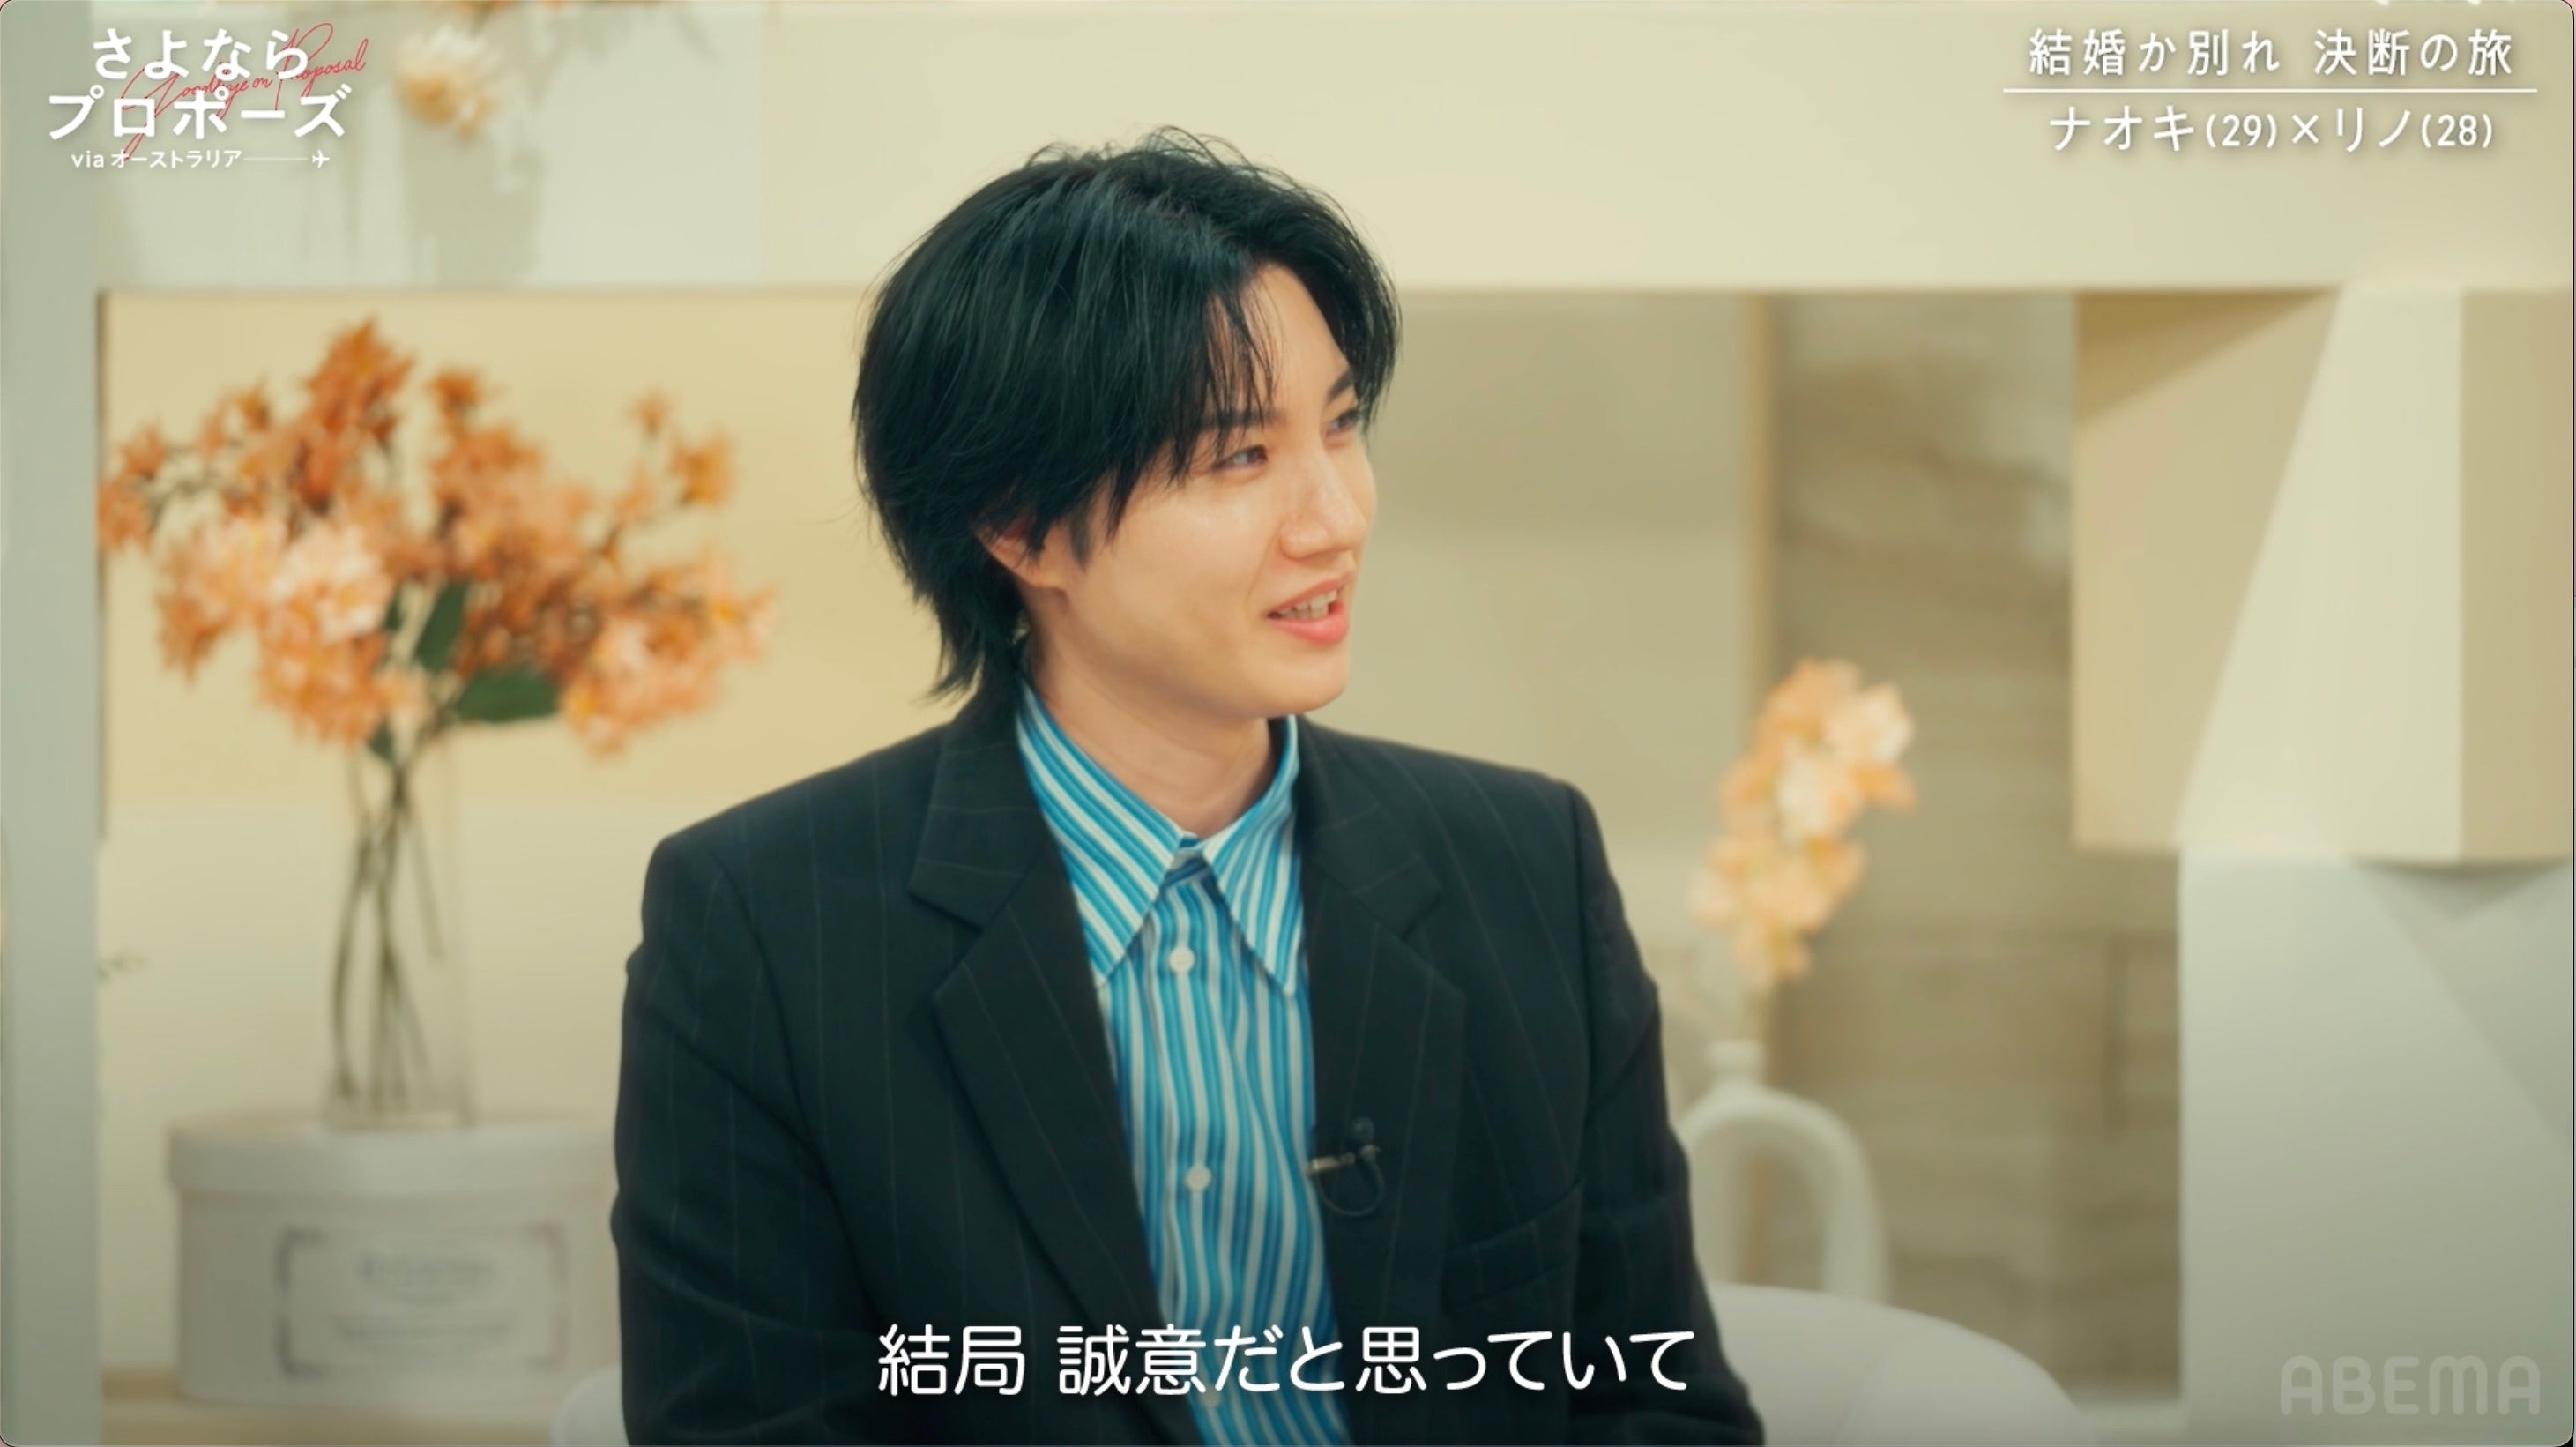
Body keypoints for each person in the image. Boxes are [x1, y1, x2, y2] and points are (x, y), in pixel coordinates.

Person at [611, 126, 1764, 1447]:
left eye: (1341, 425)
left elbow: (1655, 1405)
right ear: (1019, 524)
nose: (1335, 518)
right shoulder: (762, 927)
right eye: (1239, 457)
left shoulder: (1527, 865)